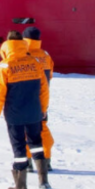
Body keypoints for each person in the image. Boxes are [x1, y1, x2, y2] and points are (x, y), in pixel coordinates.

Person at [0, 30, 50, 189]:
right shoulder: (35, 62)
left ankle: (21, 187)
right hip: (34, 112)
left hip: (15, 115)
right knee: (36, 143)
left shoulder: (5, 65)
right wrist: (43, 109)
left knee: (19, 148)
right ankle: (43, 180)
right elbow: (44, 90)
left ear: (7, 45)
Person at [23, 27, 55, 172]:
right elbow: (50, 75)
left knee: (25, 131)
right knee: (42, 129)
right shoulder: (46, 56)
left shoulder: (23, 54)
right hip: (42, 101)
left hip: (26, 100)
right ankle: (46, 160)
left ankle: (28, 161)